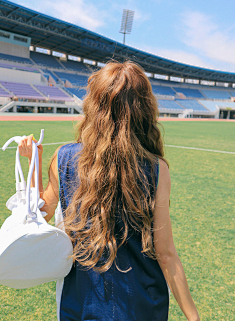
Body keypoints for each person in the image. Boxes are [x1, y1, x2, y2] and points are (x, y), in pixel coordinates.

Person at [19, 61, 200, 321]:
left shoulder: (64, 158)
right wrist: (193, 316)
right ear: (144, 108)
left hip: (82, 303)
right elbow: (166, 253)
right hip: (142, 304)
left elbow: (38, 216)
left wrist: (33, 164)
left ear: (94, 105)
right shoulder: (156, 168)